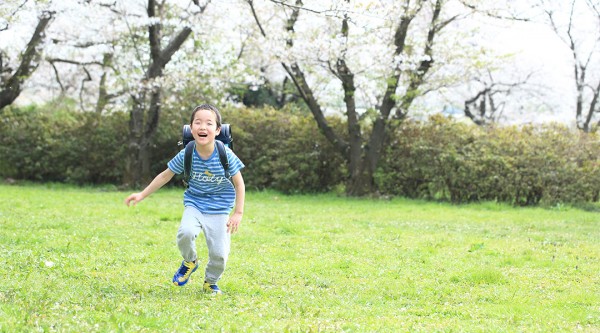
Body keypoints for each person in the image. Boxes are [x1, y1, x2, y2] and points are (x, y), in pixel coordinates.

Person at [124, 104, 245, 295]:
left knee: (220, 255)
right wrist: (141, 195)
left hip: (221, 209)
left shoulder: (225, 154)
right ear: (191, 128)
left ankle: (210, 282)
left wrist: (238, 213)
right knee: (185, 233)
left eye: (209, 123)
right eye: (198, 122)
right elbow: (165, 175)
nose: (203, 127)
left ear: (217, 130)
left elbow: (239, 184)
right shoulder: (187, 153)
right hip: (195, 204)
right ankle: (190, 261)